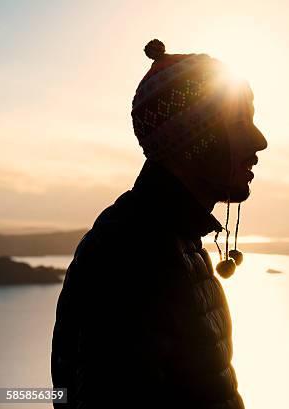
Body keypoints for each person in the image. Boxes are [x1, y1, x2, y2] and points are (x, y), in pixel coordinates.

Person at [51, 39, 267, 408]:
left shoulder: (174, 239)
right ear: (198, 142)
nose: (259, 142)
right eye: (238, 123)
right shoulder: (132, 254)